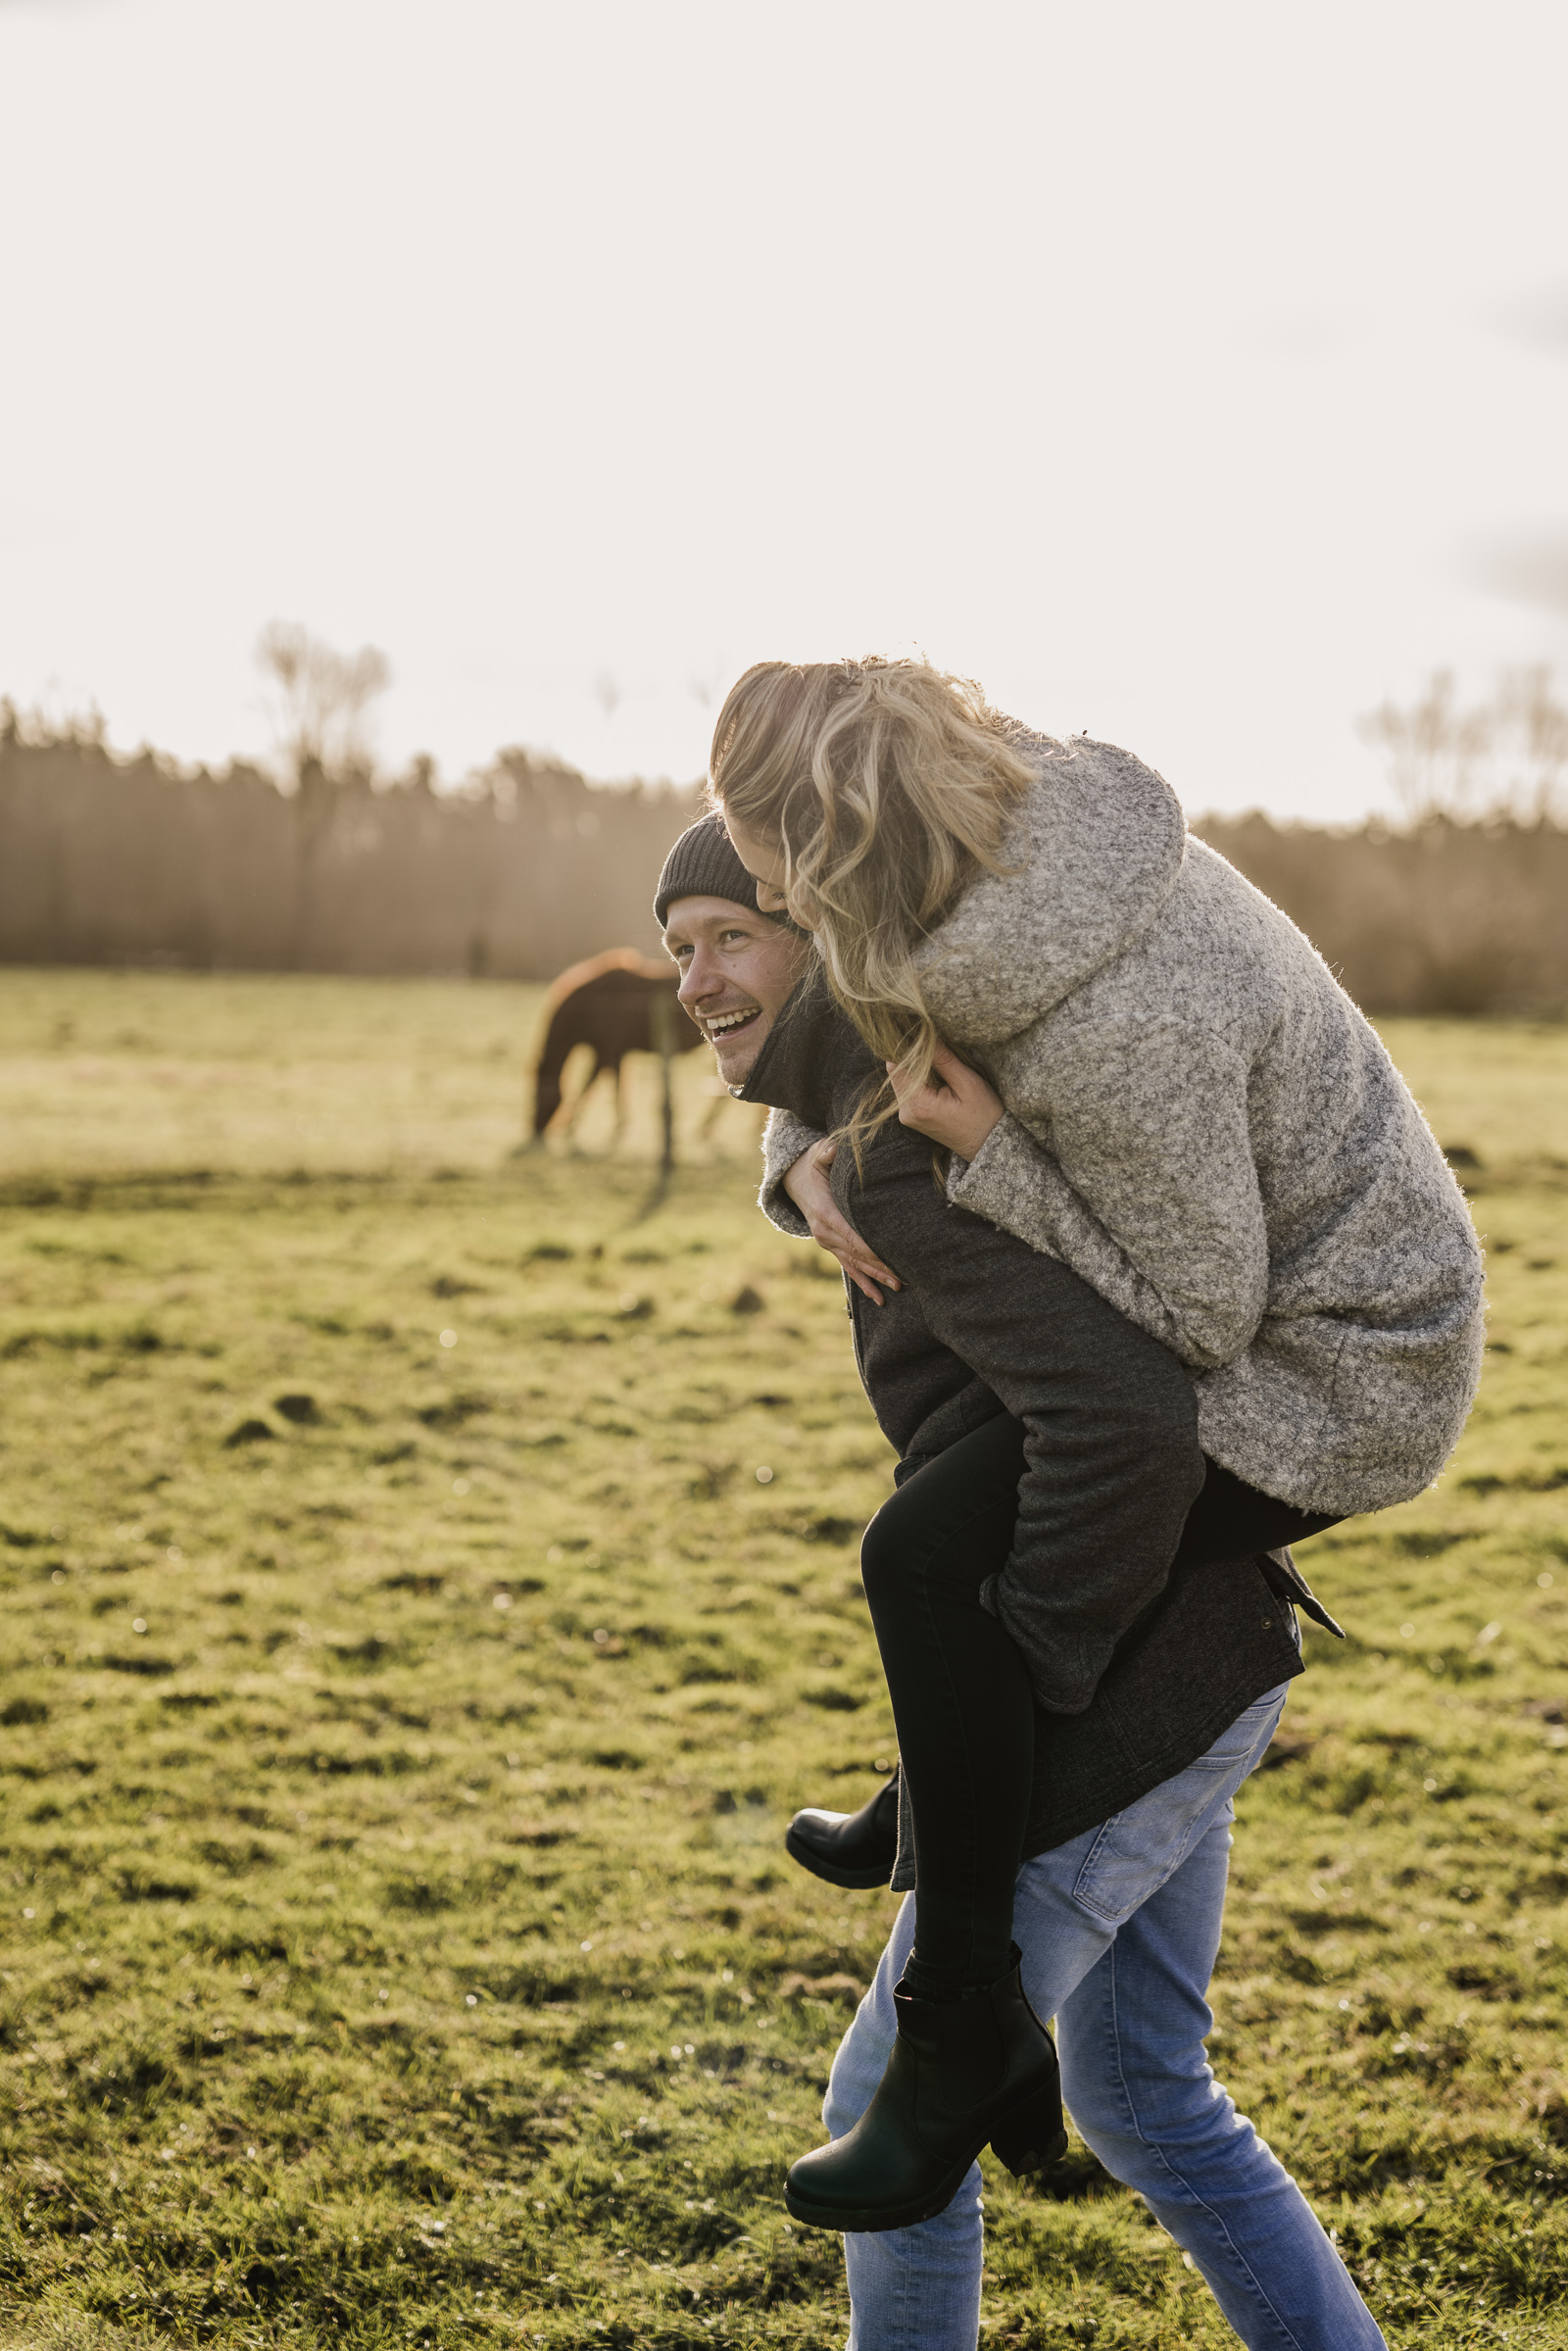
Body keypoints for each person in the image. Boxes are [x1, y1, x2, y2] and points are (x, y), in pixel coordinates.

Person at [654, 814, 1393, 2349]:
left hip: (1138, 1675)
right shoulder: (870, 1123)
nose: (696, 979)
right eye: (677, 948)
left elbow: (1119, 1421)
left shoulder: (904, 1141)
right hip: (1204, 1648)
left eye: (731, 936)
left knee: (892, 2104)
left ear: (823, 936)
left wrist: (1042, 1677)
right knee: (1142, 2093)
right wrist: (800, 1165)